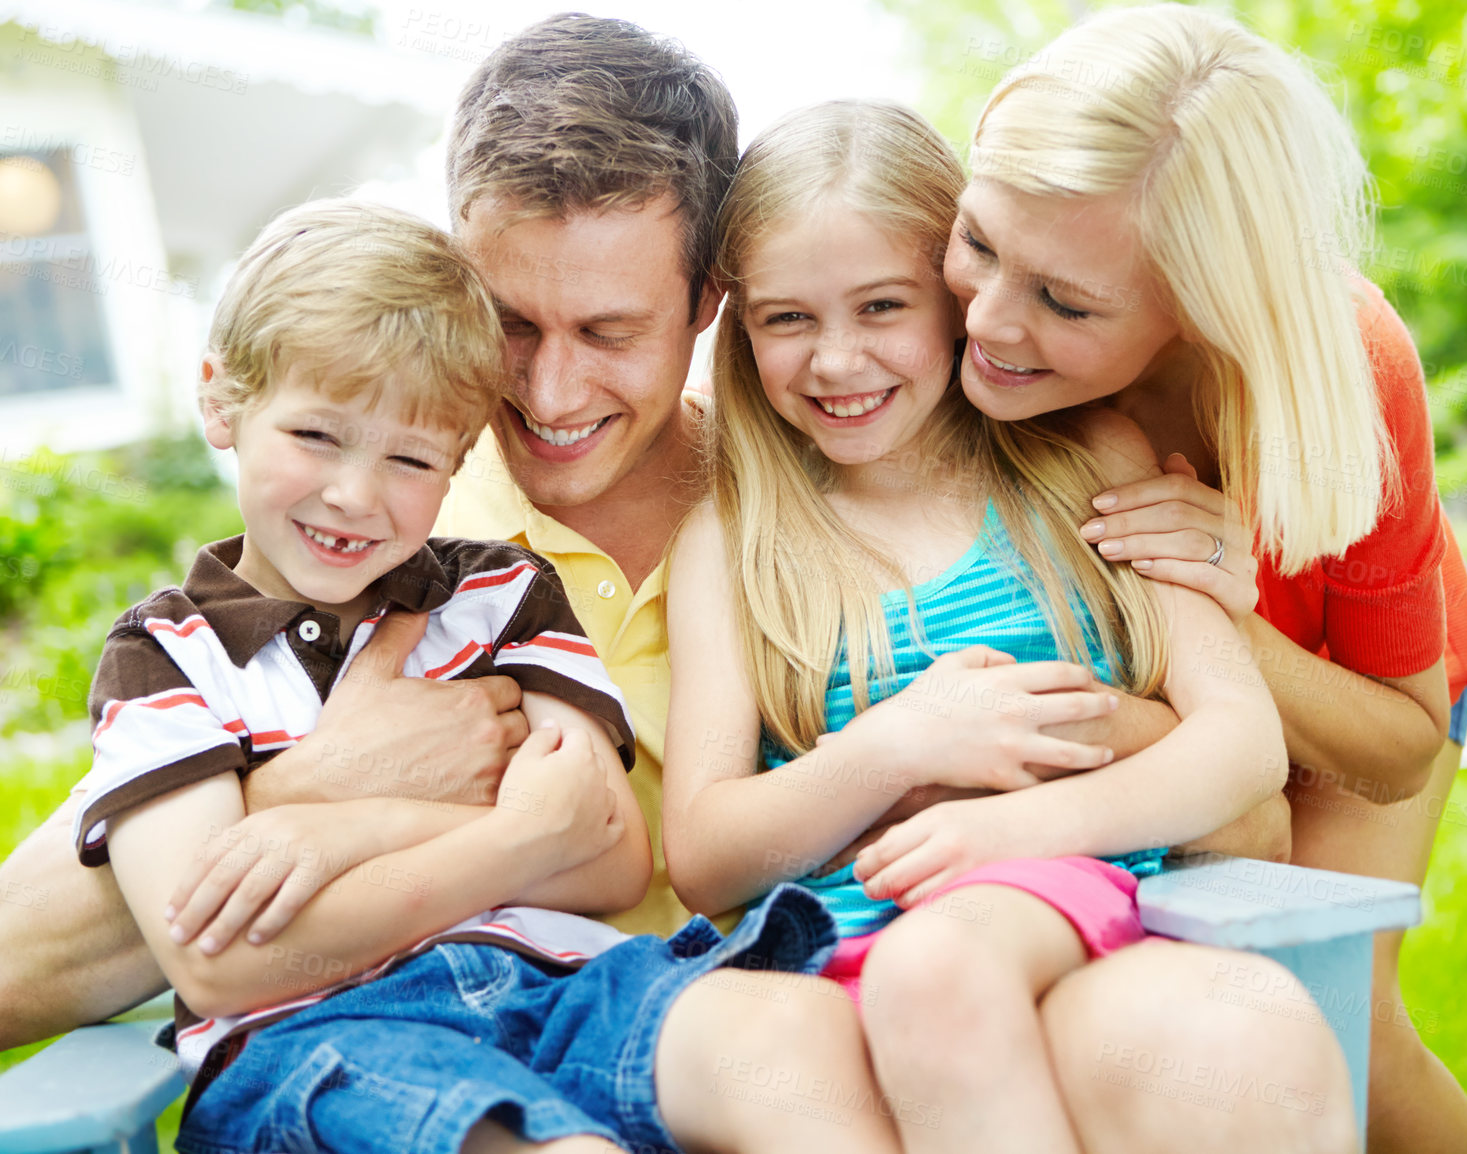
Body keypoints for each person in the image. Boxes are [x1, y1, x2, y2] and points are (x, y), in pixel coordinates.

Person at [0, 14, 1328, 1153]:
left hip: (723, 1019)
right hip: (467, 1056)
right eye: (513, 324)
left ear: (706, 305)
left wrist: (1094, 722)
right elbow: (34, 951)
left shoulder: (794, 508)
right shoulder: (388, 541)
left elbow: (1247, 809)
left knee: (1224, 1043)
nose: (552, 390)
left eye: (610, 331)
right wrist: (315, 786)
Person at [81, 196, 904, 1154]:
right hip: (326, 1039)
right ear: (222, 399)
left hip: (565, 984)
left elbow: (607, 857)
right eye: (316, 437)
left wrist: (362, 827)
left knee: (795, 1035)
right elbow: (224, 962)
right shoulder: (167, 659)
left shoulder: (497, 594)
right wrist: (518, 836)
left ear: (461, 456)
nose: (355, 494)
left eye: (409, 457)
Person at [661, 100, 1353, 1154]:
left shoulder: (1085, 466)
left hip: (1049, 905)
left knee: (950, 968)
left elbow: (1243, 741)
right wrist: (898, 743)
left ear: (952, 297)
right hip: (831, 953)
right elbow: (705, 854)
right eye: (786, 319)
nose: (837, 361)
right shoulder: (737, 537)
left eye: (882, 305)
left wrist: (1004, 829)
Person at [939, 6, 1467, 1152]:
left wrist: (1233, 617)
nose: (988, 320)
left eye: (1066, 304)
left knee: (1338, 1008)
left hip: (1349, 694)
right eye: (979, 243)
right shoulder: (978, 314)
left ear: (1195, 304)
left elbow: (1397, 745)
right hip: (1162, 697)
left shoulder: (1343, 367)